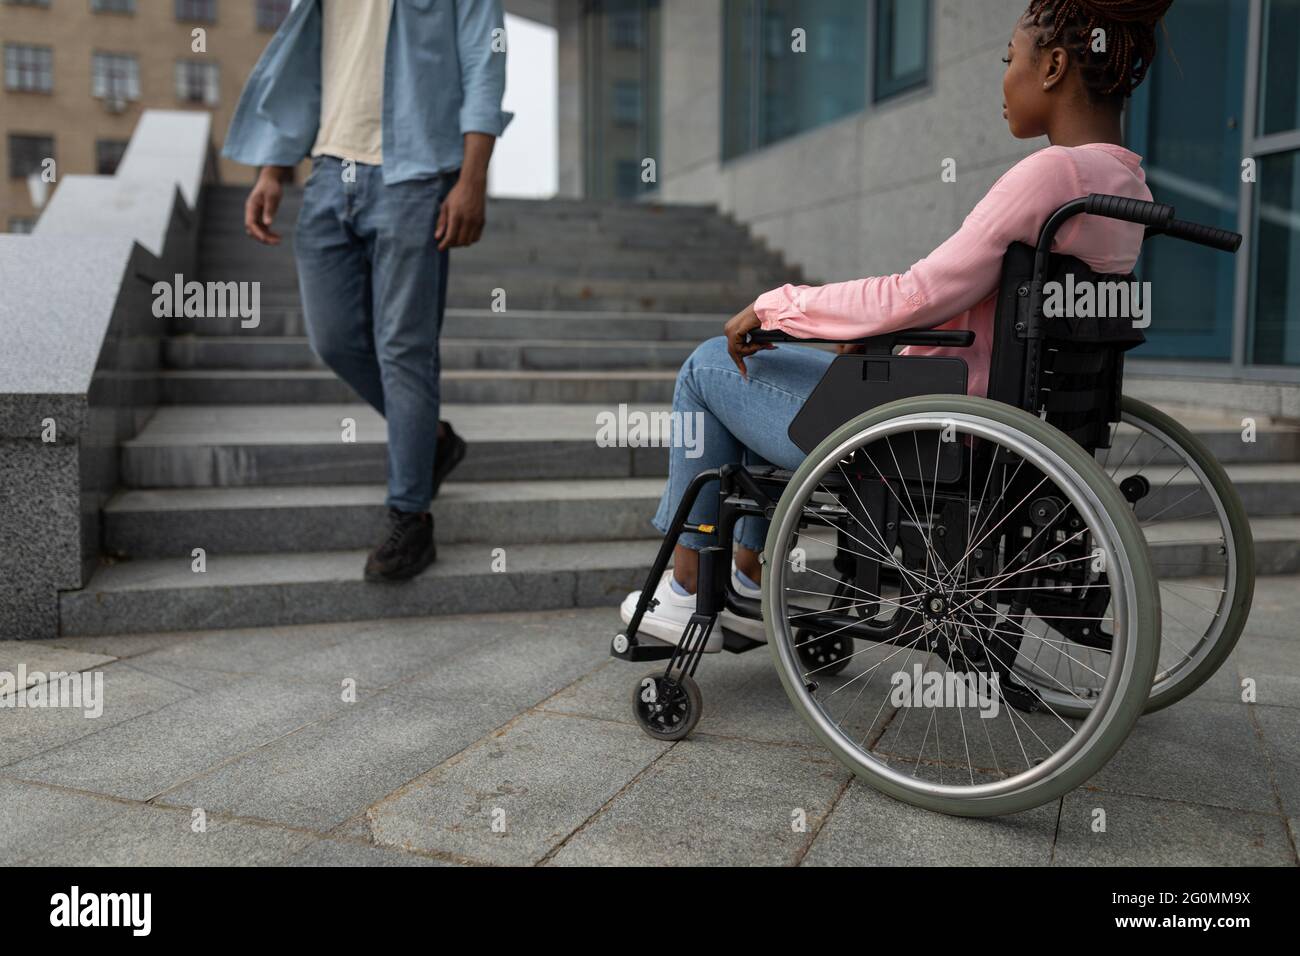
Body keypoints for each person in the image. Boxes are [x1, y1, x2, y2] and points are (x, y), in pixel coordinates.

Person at [621, 0, 1174, 647]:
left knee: (710, 366)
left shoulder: (1051, 175)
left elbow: (918, 291)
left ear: (1052, 67)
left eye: (1008, 60)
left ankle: (689, 586)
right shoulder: (1128, 188)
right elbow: (966, 303)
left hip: (926, 432)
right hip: (1006, 428)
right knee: (762, 369)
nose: (1003, 79)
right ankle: (742, 575)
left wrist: (780, 306)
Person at [223, 0, 511, 581]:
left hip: (417, 174)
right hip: (330, 171)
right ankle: (430, 439)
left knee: (404, 348)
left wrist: (473, 177)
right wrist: (273, 168)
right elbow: (307, 62)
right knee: (332, 337)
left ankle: (410, 515)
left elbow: (485, 60)